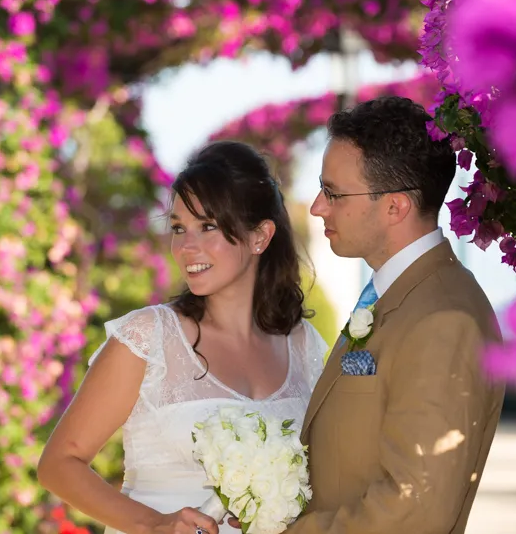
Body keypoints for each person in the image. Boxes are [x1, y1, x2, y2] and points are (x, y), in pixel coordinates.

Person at [38, 141, 328, 534]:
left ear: (261, 236)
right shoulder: (148, 338)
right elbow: (59, 463)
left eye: (208, 226)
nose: (186, 246)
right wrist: (154, 524)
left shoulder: (304, 345)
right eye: (178, 227)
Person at [289, 96, 505, 534]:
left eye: (333, 192)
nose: (317, 207)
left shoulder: (443, 320)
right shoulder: (398, 295)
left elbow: (414, 511)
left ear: (395, 207)